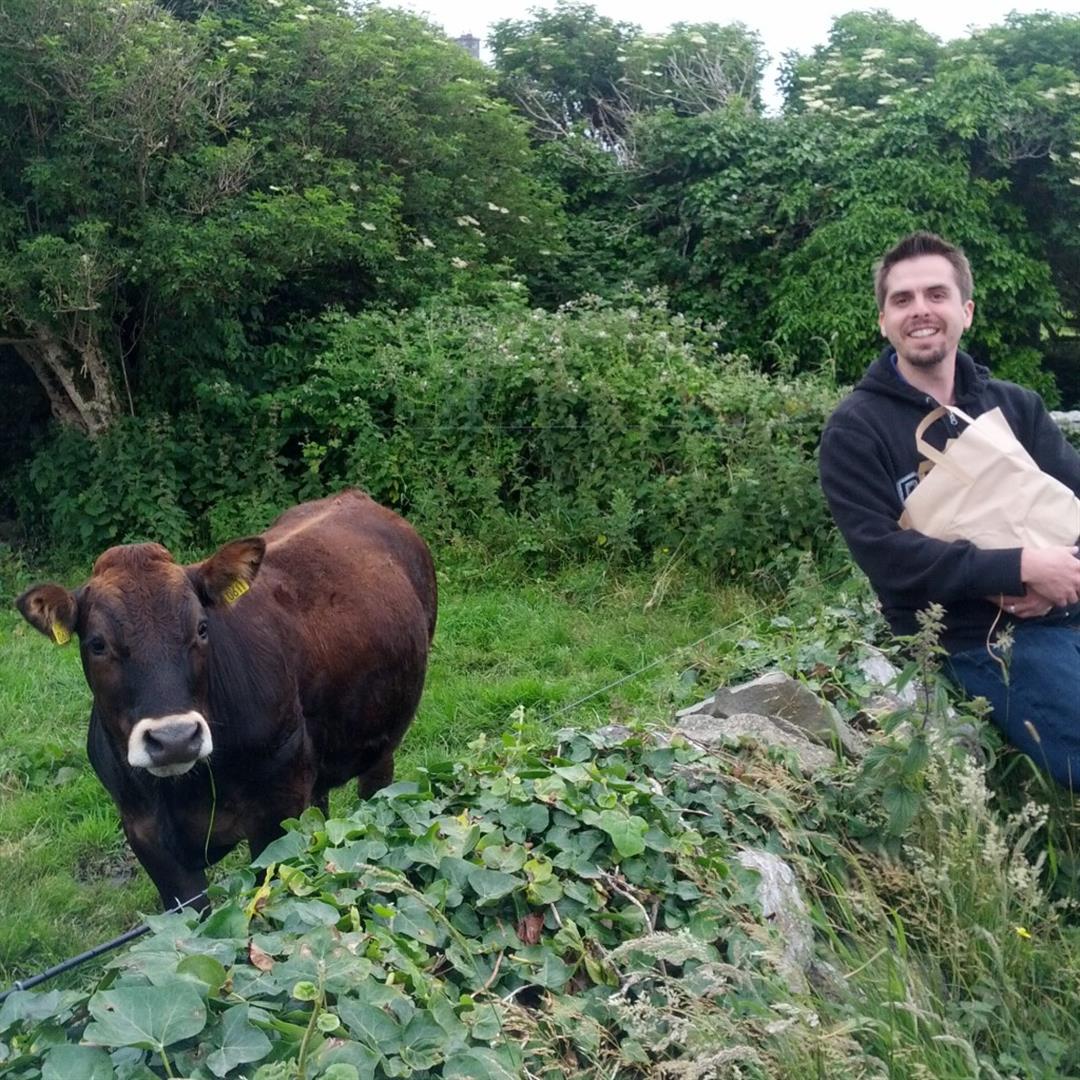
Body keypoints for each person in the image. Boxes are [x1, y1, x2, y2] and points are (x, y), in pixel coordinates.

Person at [819, 231, 1080, 787]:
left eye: (936, 295)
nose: (920, 311)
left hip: (1068, 600)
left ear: (966, 311)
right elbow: (888, 559)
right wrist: (1021, 568)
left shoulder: (1015, 405)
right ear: (883, 321)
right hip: (978, 637)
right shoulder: (855, 430)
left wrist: (1064, 571)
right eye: (902, 299)